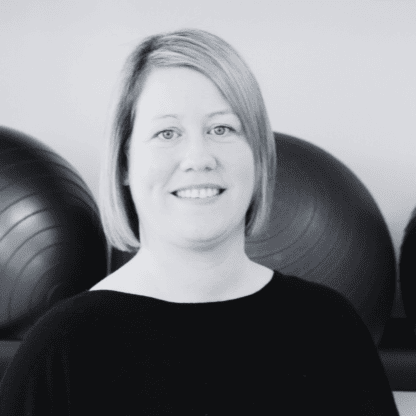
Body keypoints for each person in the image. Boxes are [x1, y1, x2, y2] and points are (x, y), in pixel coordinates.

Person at [0, 28, 399, 415]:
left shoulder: (330, 327)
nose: (198, 157)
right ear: (124, 162)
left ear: (258, 157)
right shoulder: (60, 352)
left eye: (222, 128)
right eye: (167, 132)